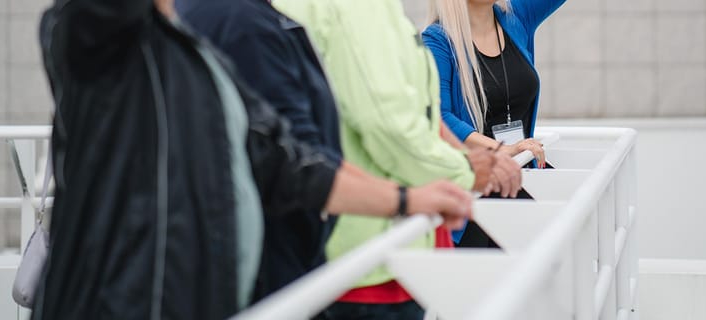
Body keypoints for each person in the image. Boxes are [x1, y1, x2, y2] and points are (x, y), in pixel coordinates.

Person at [33, 0, 474, 319]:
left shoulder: (208, 48)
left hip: (203, 299)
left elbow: (289, 164)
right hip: (113, 300)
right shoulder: (94, 31)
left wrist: (407, 200)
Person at [174, 0, 511, 302]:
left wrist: (458, 166)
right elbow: (383, 123)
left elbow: (419, 110)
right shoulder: (248, 17)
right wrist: (458, 173)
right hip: (366, 253)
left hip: (351, 239)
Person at [273, 0, 524, 318]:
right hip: (371, 258)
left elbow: (419, 113)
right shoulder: (358, 7)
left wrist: (467, 160)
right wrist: (465, 172)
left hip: (349, 248)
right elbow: (386, 122)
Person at [422, 0, 566, 247]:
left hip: (520, 179)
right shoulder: (438, 40)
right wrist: (501, 150)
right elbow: (440, 117)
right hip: (475, 196)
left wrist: (512, 153)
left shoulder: (514, 18)